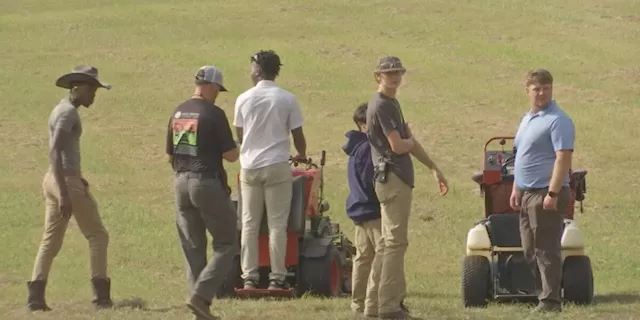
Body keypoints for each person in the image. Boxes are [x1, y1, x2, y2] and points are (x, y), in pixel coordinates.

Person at [365, 56, 449, 320]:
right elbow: (398, 146)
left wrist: (432, 166)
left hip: (390, 178)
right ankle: (389, 306)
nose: (395, 76)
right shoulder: (382, 104)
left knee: (387, 244)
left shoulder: (390, 103)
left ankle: (373, 306)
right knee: (394, 243)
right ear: (378, 76)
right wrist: (409, 141)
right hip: (393, 177)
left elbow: (407, 141)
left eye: (398, 72)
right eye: (389, 73)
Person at [28, 65, 113, 312]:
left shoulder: (61, 109)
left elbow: (62, 154)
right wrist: (65, 191)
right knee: (98, 235)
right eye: (93, 90)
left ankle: (35, 296)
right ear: (79, 88)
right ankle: (101, 297)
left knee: (50, 240)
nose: (94, 95)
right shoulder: (67, 114)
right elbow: (55, 151)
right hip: (64, 182)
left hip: (55, 179)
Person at [166, 66, 240, 320]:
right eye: (218, 90)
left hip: (180, 182)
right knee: (228, 242)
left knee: (193, 246)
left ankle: (200, 310)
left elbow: (169, 154)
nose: (218, 94)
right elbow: (231, 156)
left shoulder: (178, 111)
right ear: (211, 86)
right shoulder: (214, 113)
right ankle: (201, 296)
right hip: (205, 182)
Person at [233, 50, 307, 290]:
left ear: (257, 70)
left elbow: (240, 134)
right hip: (277, 165)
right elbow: (298, 135)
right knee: (277, 225)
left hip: (250, 166)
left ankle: (250, 277)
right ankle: (277, 277)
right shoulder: (287, 99)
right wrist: (301, 155)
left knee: (249, 223)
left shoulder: (244, 98)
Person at [509, 68, 575, 313]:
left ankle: (550, 301)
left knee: (546, 248)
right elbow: (520, 156)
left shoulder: (558, 120)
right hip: (527, 193)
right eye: (537, 88)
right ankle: (543, 294)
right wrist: (517, 187)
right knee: (529, 249)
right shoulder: (527, 119)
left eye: (546, 88)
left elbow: (563, 158)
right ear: (527, 90)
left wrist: (553, 193)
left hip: (546, 192)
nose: (542, 93)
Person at [342, 103, 383, 316]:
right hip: (372, 208)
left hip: (359, 208)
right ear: (362, 125)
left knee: (363, 257)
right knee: (382, 254)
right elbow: (370, 181)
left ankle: (357, 304)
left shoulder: (355, 148)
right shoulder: (368, 148)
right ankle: (372, 303)